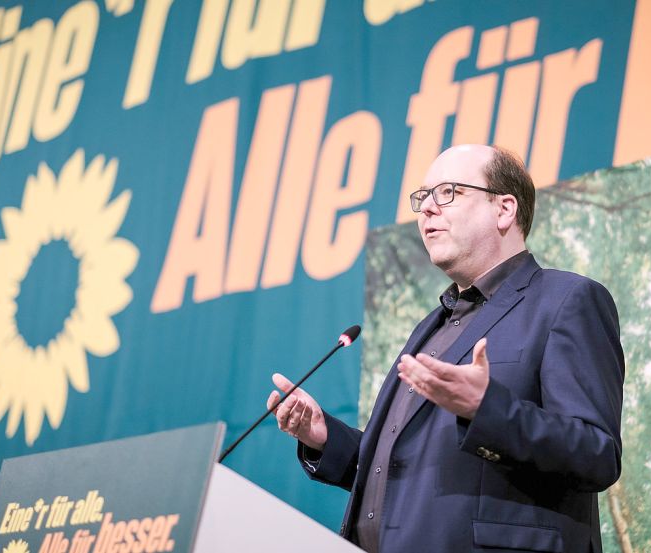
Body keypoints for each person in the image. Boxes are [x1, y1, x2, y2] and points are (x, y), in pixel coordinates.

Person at [267, 144, 625, 552]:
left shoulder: (567, 300)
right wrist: (324, 436)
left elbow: (597, 454)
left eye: (449, 192)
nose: (427, 210)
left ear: (504, 209)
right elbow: (403, 472)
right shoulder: (431, 326)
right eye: (423, 197)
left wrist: (486, 409)